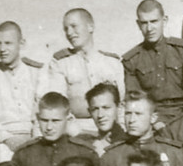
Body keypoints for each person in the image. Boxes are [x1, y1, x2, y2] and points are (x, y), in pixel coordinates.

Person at [38, 8, 125, 137]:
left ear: (90, 27)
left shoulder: (112, 62)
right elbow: (59, 106)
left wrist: (120, 132)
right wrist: (79, 134)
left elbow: (121, 103)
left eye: (74, 26)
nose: (69, 32)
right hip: (76, 129)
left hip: (112, 128)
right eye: (66, 29)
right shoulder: (60, 63)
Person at [97, 92, 183, 166]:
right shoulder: (111, 157)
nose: (131, 120)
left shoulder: (173, 153)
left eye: (138, 114)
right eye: (128, 114)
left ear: (153, 117)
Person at [121, 0, 183, 123]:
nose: (149, 28)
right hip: (152, 119)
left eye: (154, 21)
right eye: (144, 23)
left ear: (164, 21)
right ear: (138, 24)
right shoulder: (132, 59)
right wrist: (154, 122)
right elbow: (135, 100)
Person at [0, 20, 43, 150]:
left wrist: (36, 138)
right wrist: (7, 138)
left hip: (37, 137)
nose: (2, 49)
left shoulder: (36, 72)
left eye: (8, 43)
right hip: (3, 142)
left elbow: (44, 108)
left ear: (21, 44)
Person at [80, 82, 127, 156]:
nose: (100, 115)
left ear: (119, 108)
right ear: (89, 112)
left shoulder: (129, 143)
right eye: (95, 109)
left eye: (106, 108)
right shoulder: (86, 144)